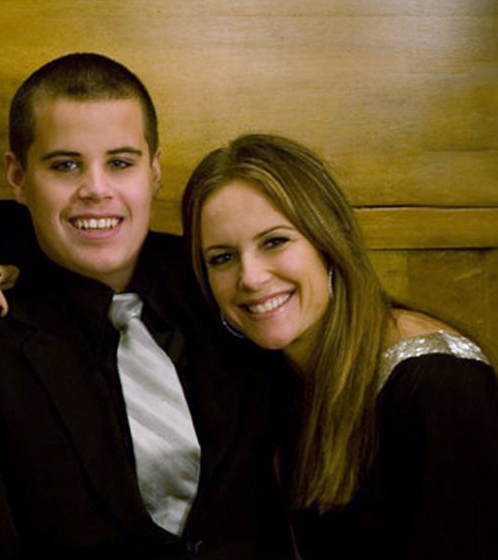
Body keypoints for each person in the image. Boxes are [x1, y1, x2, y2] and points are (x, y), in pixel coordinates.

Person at [0, 53, 293, 558]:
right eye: (65, 165)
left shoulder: (226, 288)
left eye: (120, 163)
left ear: (154, 171)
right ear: (17, 176)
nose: (96, 190)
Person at [181, 133, 498, 559]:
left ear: (328, 243)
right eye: (222, 258)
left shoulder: (441, 387)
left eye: (275, 241)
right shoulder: (274, 377)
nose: (250, 278)